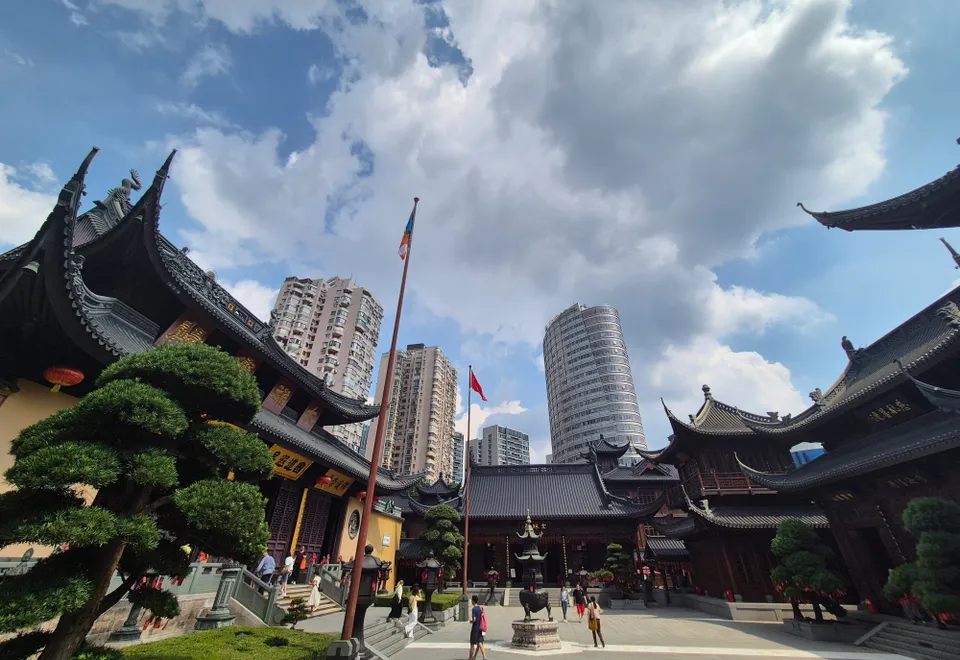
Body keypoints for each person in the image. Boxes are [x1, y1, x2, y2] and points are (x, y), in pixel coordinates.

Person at [469, 594, 488, 660]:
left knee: (472, 644)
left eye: (472, 600)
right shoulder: (480, 608)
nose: (471, 601)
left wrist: (471, 621)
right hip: (481, 628)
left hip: (475, 629)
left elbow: (474, 619)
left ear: (473, 601)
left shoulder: (474, 609)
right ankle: (484, 657)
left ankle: (470, 658)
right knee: (480, 643)